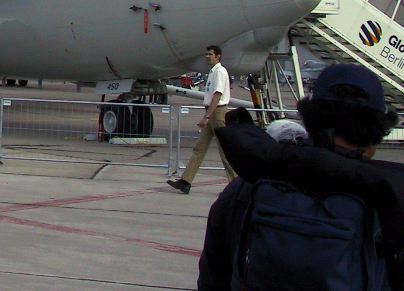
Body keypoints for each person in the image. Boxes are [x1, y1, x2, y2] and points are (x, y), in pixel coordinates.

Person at [199, 64, 404, 290]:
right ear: (377, 131)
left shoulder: (248, 186)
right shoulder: (389, 198)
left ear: (310, 119)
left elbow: (212, 276)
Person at [167, 45, 236, 193]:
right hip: (211, 112)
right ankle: (186, 181)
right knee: (199, 148)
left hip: (216, 113)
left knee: (225, 151)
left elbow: (217, 96)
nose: (207, 57)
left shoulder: (220, 72)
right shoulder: (212, 72)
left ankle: (237, 184)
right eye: (207, 54)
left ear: (218, 56)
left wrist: (207, 116)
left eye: (210, 54)